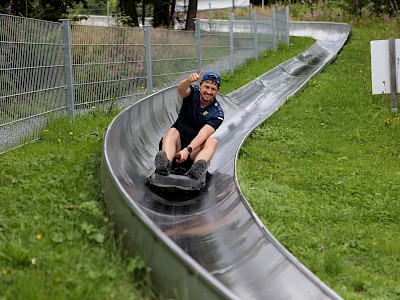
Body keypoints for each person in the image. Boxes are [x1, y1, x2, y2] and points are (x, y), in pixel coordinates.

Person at [154, 70, 224, 180]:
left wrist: (187, 150)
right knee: (172, 131)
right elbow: (181, 90)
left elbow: (203, 135)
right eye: (206, 87)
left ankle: (196, 171)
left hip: (192, 152)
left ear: (217, 91)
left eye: (213, 89)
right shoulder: (193, 93)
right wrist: (188, 81)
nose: (209, 91)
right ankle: (164, 165)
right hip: (176, 146)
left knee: (212, 141)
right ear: (200, 85)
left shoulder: (217, 113)